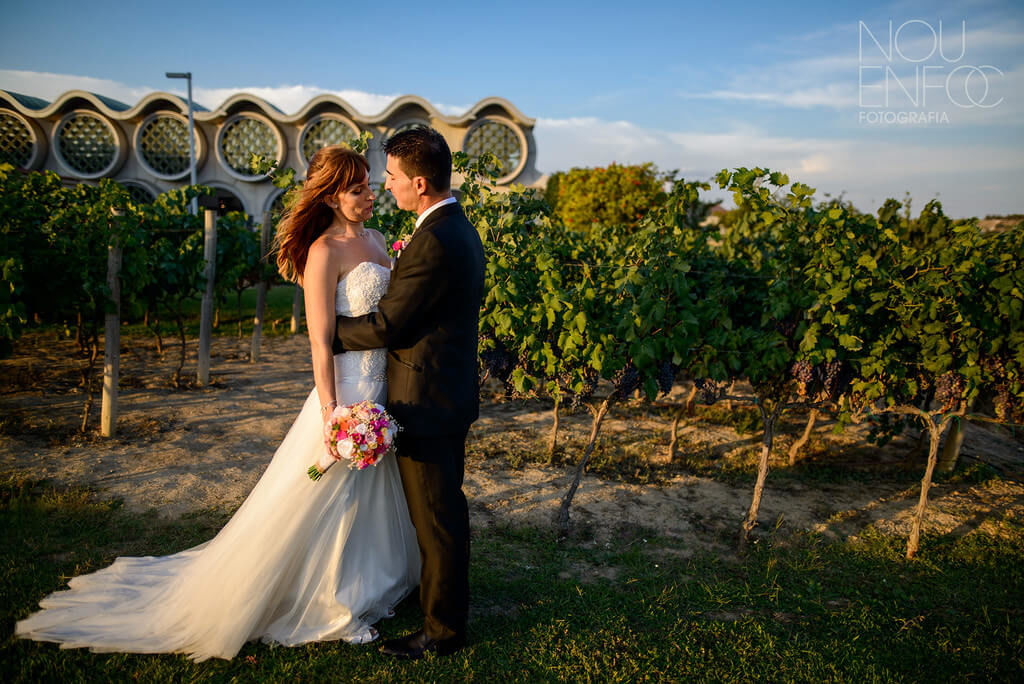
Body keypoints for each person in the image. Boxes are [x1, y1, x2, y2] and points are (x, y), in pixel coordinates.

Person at [14, 146, 420, 662]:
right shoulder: (323, 252)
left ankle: (374, 578)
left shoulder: (381, 240)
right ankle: (328, 600)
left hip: (383, 386)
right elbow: (320, 341)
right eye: (358, 187)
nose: (369, 194)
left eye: (368, 184)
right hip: (346, 392)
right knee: (328, 490)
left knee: (373, 490)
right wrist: (331, 413)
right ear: (332, 196)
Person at [333, 126, 485, 659]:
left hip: (426, 401)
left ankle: (442, 632)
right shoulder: (457, 228)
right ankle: (444, 606)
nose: (387, 186)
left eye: (393, 177)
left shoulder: (435, 239)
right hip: (447, 391)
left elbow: (388, 325)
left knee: (437, 519)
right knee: (444, 512)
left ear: (419, 183)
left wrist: (328, 333)